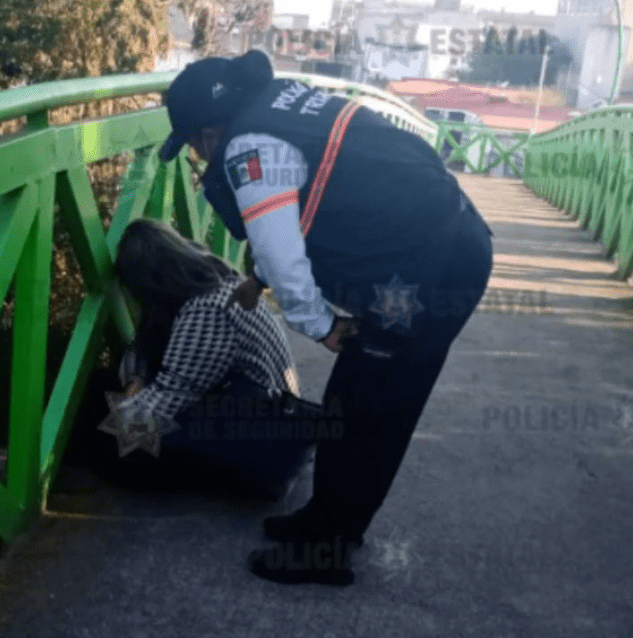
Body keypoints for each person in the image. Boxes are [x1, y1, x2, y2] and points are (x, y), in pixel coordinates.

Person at [157, 50, 494, 586]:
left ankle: (327, 546)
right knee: (356, 398)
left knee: (370, 410)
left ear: (208, 133)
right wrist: (263, 278)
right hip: (443, 244)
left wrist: (321, 326)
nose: (198, 159)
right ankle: (325, 522)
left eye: (194, 147)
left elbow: (284, 256)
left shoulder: (249, 148)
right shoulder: (283, 105)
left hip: (428, 271)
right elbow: (305, 205)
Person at [64, 218, 332, 500]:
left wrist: (116, 418)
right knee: (100, 393)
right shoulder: (209, 277)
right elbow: (141, 348)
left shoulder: (208, 309)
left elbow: (168, 397)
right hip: (236, 398)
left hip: (261, 430)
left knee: (115, 450)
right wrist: (136, 379)